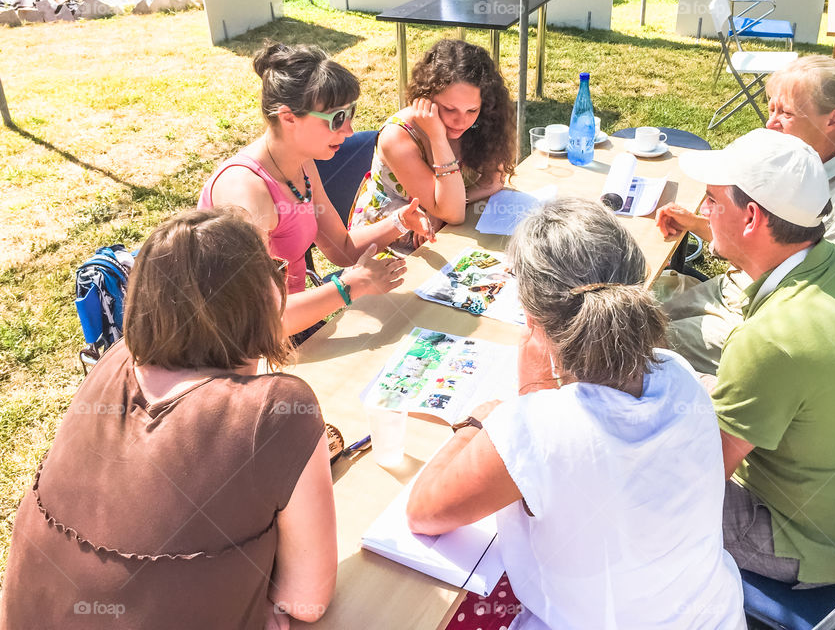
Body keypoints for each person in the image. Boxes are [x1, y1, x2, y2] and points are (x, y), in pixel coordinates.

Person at [407, 198, 746, 630]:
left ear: (530, 316)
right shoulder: (678, 375)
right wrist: (534, 398)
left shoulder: (534, 427)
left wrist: (480, 421)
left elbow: (423, 511)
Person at [0, 208, 335, 630]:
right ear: (255, 299)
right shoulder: (277, 411)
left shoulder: (115, 358)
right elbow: (306, 603)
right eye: (272, 267)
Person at [676, 130, 835, 586]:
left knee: (641, 481)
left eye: (711, 201)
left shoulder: (771, 341)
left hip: (811, 545)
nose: (704, 213)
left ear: (751, 218)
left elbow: (698, 481)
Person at [656, 56, 835, 373]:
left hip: (767, 320)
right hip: (742, 290)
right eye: (771, 110)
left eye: (785, 113)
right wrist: (696, 224)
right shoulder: (796, 167)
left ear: (832, 120)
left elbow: (832, 305)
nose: (771, 123)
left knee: (641, 346)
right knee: (651, 320)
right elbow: (766, 239)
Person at [198, 41, 434, 339]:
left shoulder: (302, 162)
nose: (348, 130)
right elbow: (262, 319)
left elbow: (341, 249)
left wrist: (399, 221)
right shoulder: (246, 193)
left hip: (292, 327)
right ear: (288, 118)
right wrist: (349, 287)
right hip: (247, 347)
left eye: (351, 114)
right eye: (336, 119)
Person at [350, 39, 516, 248]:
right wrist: (437, 137)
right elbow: (454, 214)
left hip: (444, 235)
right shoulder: (398, 136)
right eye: (449, 109)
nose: (461, 121)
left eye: (472, 110)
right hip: (388, 247)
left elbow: (493, 182)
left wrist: (440, 211)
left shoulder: (480, 121)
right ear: (426, 96)